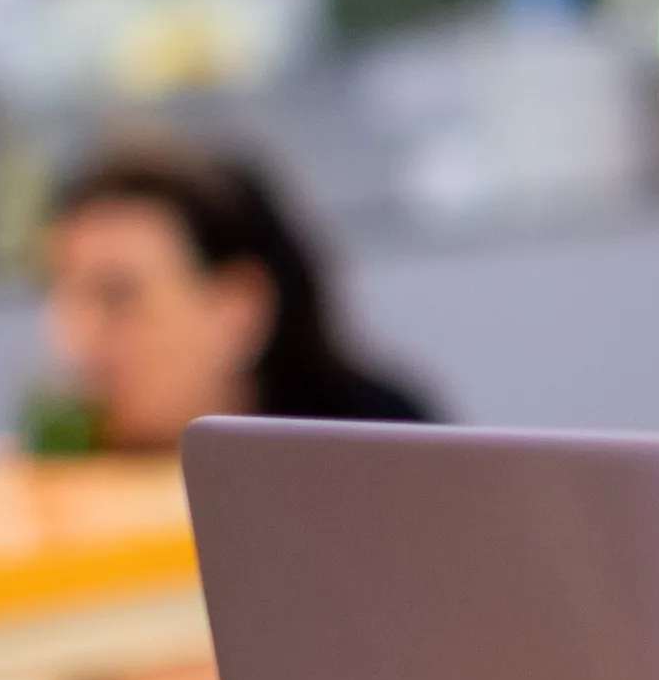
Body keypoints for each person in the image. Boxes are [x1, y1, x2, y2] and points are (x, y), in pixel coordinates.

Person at [37, 140, 440, 449]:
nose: (75, 340)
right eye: (63, 296)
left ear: (240, 309)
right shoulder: (60, 472)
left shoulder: (381, 446)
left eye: (119, 297)